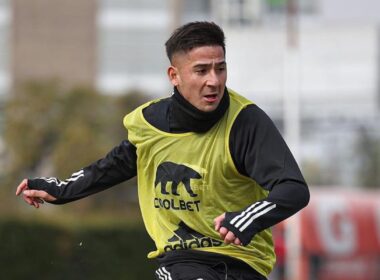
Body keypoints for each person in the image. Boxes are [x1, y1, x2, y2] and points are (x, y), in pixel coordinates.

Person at [16, 21, 309, 280]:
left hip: (245, 263)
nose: (214, 81)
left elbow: (293, 188)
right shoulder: (149, 123)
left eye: (220, 68)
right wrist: (62, 190)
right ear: (174, 75)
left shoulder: (246, 122)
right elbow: (113, 166)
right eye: (201, 70)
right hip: (182, 259)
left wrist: (247, 218)